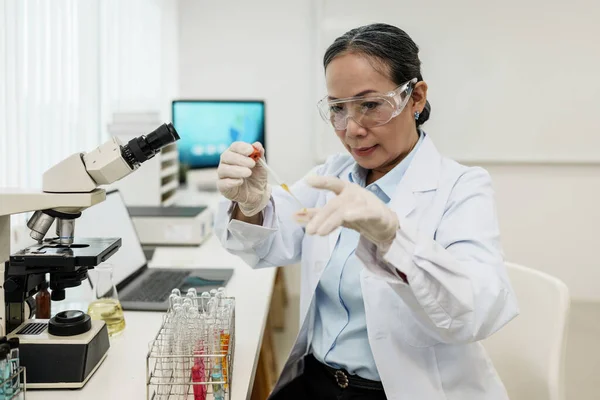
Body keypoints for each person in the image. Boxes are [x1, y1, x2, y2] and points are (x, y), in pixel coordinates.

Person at [214, 23, 518, 400]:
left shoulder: (461, 187)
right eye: (338, 109)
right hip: (317, 380)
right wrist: (250, 204)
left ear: (416, 97)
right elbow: (268, 245)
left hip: (400, 390)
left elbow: (477, 310)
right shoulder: (332, 174)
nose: (352, 129)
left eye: (371, 105)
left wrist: (394, 239)